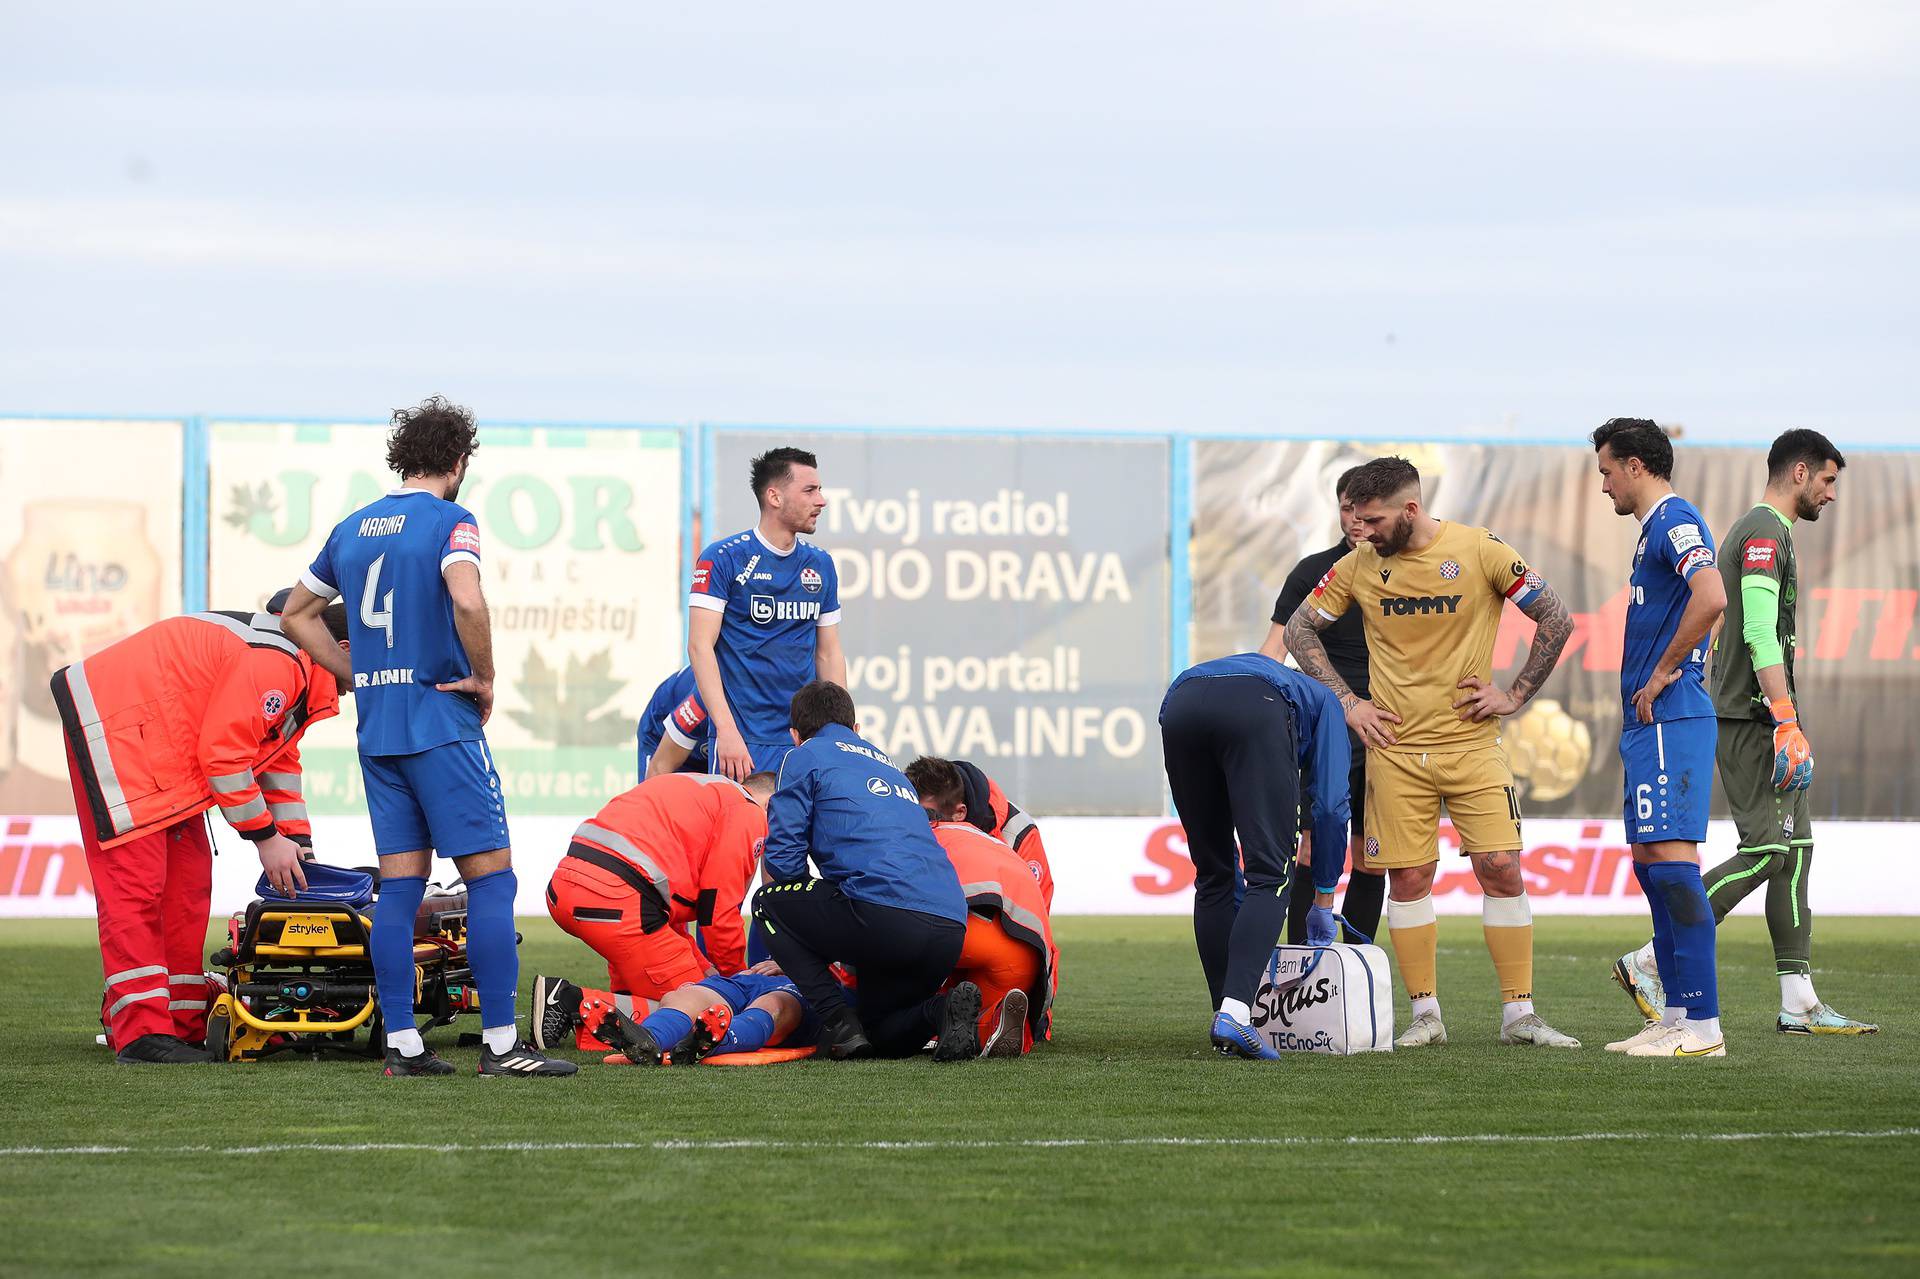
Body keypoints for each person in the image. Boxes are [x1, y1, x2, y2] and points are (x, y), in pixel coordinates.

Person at [280, 395, 575, 1077]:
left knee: (401, 888)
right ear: (458, 460)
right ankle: (502, 1046)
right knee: (493, 881)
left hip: (378, 729)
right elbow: (467, 597)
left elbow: (297, 613)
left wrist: (353, 669)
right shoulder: (452, 519)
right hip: (440, 723)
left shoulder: (351, 527)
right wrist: (485, 676)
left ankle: (404, 1045)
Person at [1284, 455, 1580, 1050]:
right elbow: (1298, 629)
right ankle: (1427, 1015)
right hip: (1394, 749)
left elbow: (1555, 616)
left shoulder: (1481, 551)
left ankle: (1519, 1015)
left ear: (1411, 510)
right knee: (1409, 876)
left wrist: (1515, 694)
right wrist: (1347, 701)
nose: (1360, 530)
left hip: (1471, 745)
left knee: (1501, 867)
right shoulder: (1359, 566)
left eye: (1372, 519)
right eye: (1356, 520)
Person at [1612, 429, 1876, 1035]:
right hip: (1750, 714)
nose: (1832, 495)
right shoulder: (1761, 532)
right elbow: (1755, 625)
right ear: (1801, 472)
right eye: (1829, 481)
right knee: (1767, 850)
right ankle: (1650, 958)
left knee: (1796, 854)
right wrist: (1784, 716)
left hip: (1769, 713)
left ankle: (1799, 1000)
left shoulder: (1773, 533)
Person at [51, 591, 347, 1064]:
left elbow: (276, 765)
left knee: (187, 888)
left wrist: (300, 849)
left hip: (160, 746)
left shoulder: (293, 666)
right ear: (344, 648)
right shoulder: (279, 664)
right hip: (122, 735)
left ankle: (182, 1025)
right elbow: (226, 757)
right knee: (138, 890)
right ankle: (141, 1034)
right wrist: (267, 839)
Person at [1586, 420, 1730, 1059]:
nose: (1605, 484)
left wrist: (1666, 669)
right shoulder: (1653, 529)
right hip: (1649, 723)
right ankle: (1673, 1018)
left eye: (1608, 471)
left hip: (1673, 716)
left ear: (1637, 466)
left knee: (1674, 866)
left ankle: (1703, 1029)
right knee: (1651, 867)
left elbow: (1712, 596)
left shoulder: (1675, 520)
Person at [750, 681, 972, 1060]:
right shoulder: (891, 767)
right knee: (882, 1032)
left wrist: (810, 942)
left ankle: (838, 1021)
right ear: (856, 729)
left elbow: (784, 861)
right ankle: (942, 1010)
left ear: (794, 735)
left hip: (882, 917)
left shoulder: (804, 756)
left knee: (767, 903)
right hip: (950, 926)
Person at [1159, 652, 1348, 1060]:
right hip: (1255, 708)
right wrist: (1324, 897)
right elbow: (1332, 806)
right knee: (1272, 874)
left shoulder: (1276, 678)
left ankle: (1225, 1012)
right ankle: (1236, 1013)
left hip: (1179, 704)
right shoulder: (1327, 702)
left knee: (1214, 874)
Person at [525, 770, 777, 1051]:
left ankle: (595, 1008)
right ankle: (569, 1000)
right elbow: (719, 913)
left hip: (576, 889)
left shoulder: (706, 792)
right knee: (705, 1008)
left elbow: (669, 912)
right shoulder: (748, 812)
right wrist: (735, 984)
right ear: (771, 804)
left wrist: (706, 967)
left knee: (655, 992)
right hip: (618, 899)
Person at [1262, 464, 1383, 947]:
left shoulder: (1409, 574)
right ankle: (1301, 970)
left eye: (1364, 509)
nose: (1355, 519)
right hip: (1327, 729)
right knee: (1312, 847)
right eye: (1346, 507)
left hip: (1388, 729)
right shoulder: (1314, 573)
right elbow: (1274, 651)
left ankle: (1353, 964)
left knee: (1372, 854)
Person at [688, 447, 845, 781]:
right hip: (742, 743)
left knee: (800, 834)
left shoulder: (821, 564)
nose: (822, 500)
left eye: (819, 489)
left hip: (804, 742)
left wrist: (839, 734)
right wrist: (726, 731)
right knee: (743, 833)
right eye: (809, 490)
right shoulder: (723, 558)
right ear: (774, 496)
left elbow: (828, 652)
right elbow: (700, 648)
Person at [906, 756, 1060, 1056]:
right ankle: (996, 1023)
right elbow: (1038, 922)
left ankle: (930, 1021)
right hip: (1023, 952)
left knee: (902, 943)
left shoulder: (1015, 831)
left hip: (960, 936)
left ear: (959, 812)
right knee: (979, 1013)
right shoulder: (987, 835)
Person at [901, 755, 1054, 909]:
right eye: (911, 813)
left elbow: (1035, 914)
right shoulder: (906, 815)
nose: (921, 824)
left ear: (960, 813)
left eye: (929, 816)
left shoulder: (1017, 832)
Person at [595, 965, 815, 1065]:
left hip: (804, 985)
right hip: (747, 978)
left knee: (772, 1006)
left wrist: (799, 962)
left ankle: (712, 1041)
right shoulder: (772, 902)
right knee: (684, 997)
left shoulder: (842, 902)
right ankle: (647, 1039)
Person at [636, 665, 710, 778]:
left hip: (707, 744)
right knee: (659, 791)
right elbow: (659, 768)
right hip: (662, 738)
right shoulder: (700, 702)